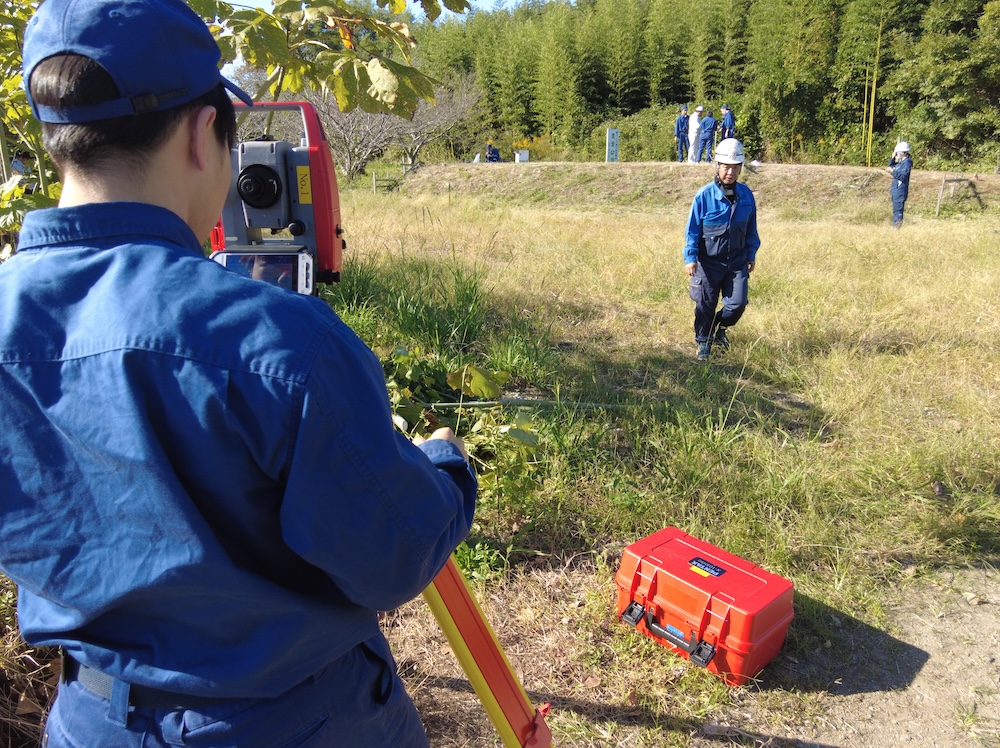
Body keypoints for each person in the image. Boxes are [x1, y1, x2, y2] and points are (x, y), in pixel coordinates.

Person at [1, 1, 477, 747]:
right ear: (202, 133)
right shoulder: (281, 342)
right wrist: (443, 465)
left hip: (90, 721)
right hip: (296, 722)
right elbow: (395, 557)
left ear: (56, 138)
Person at [683, 138, 761, 361]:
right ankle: (703, 342)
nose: (730, 172)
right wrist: (690, 258)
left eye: (735, 167)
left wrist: (751, 253)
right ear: (718, 166)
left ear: (740, 168)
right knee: (704, 304)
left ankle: (720, 328)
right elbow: (692, 230)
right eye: (726, 166)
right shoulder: (704, 196)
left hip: (736, 260)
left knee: (737, 304)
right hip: (708, 262)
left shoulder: (746, 196)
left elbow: (752, 228)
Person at [887, 141, 912, 228]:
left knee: (898, 211)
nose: (896, 154)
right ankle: (895, 226)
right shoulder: (901, 162)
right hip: (896, 190)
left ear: (902, 153)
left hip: (900, 191)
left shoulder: (906, 163)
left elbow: (902, 176)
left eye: (897, 153)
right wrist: (892, 158)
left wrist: (893, 172)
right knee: (896, 210)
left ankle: (896, 228)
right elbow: (891, 166)